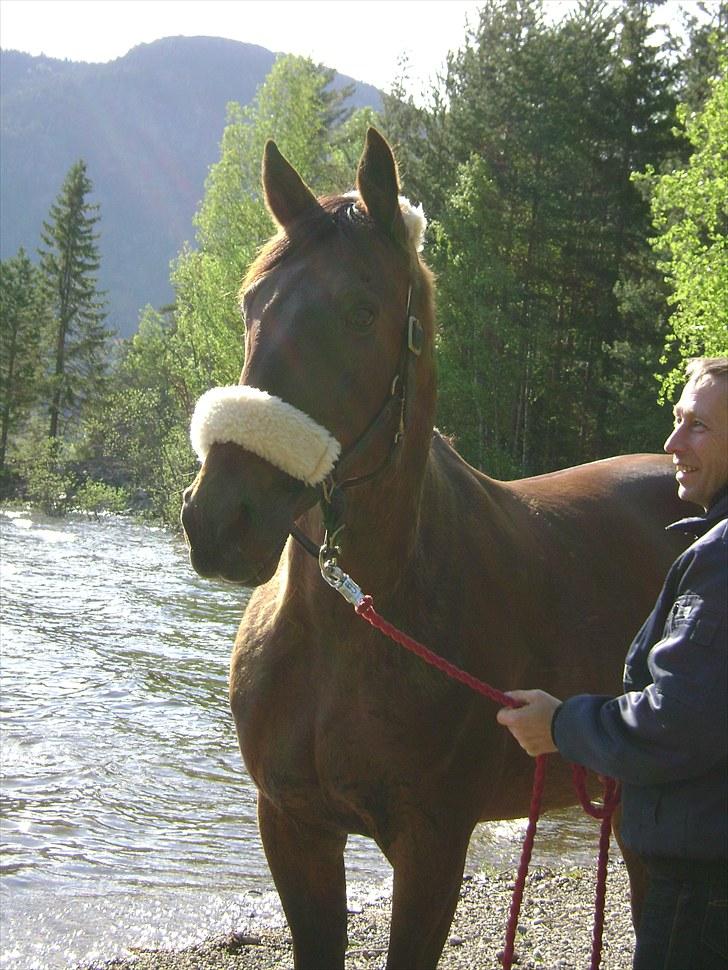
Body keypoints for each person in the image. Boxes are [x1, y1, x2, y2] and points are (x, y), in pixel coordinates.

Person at [496, 356, 728, 970]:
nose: (672, 443)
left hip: (705, 891)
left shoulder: (722, 563)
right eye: (677, 420)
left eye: (698, 427)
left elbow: (675, 724)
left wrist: (562, 726)